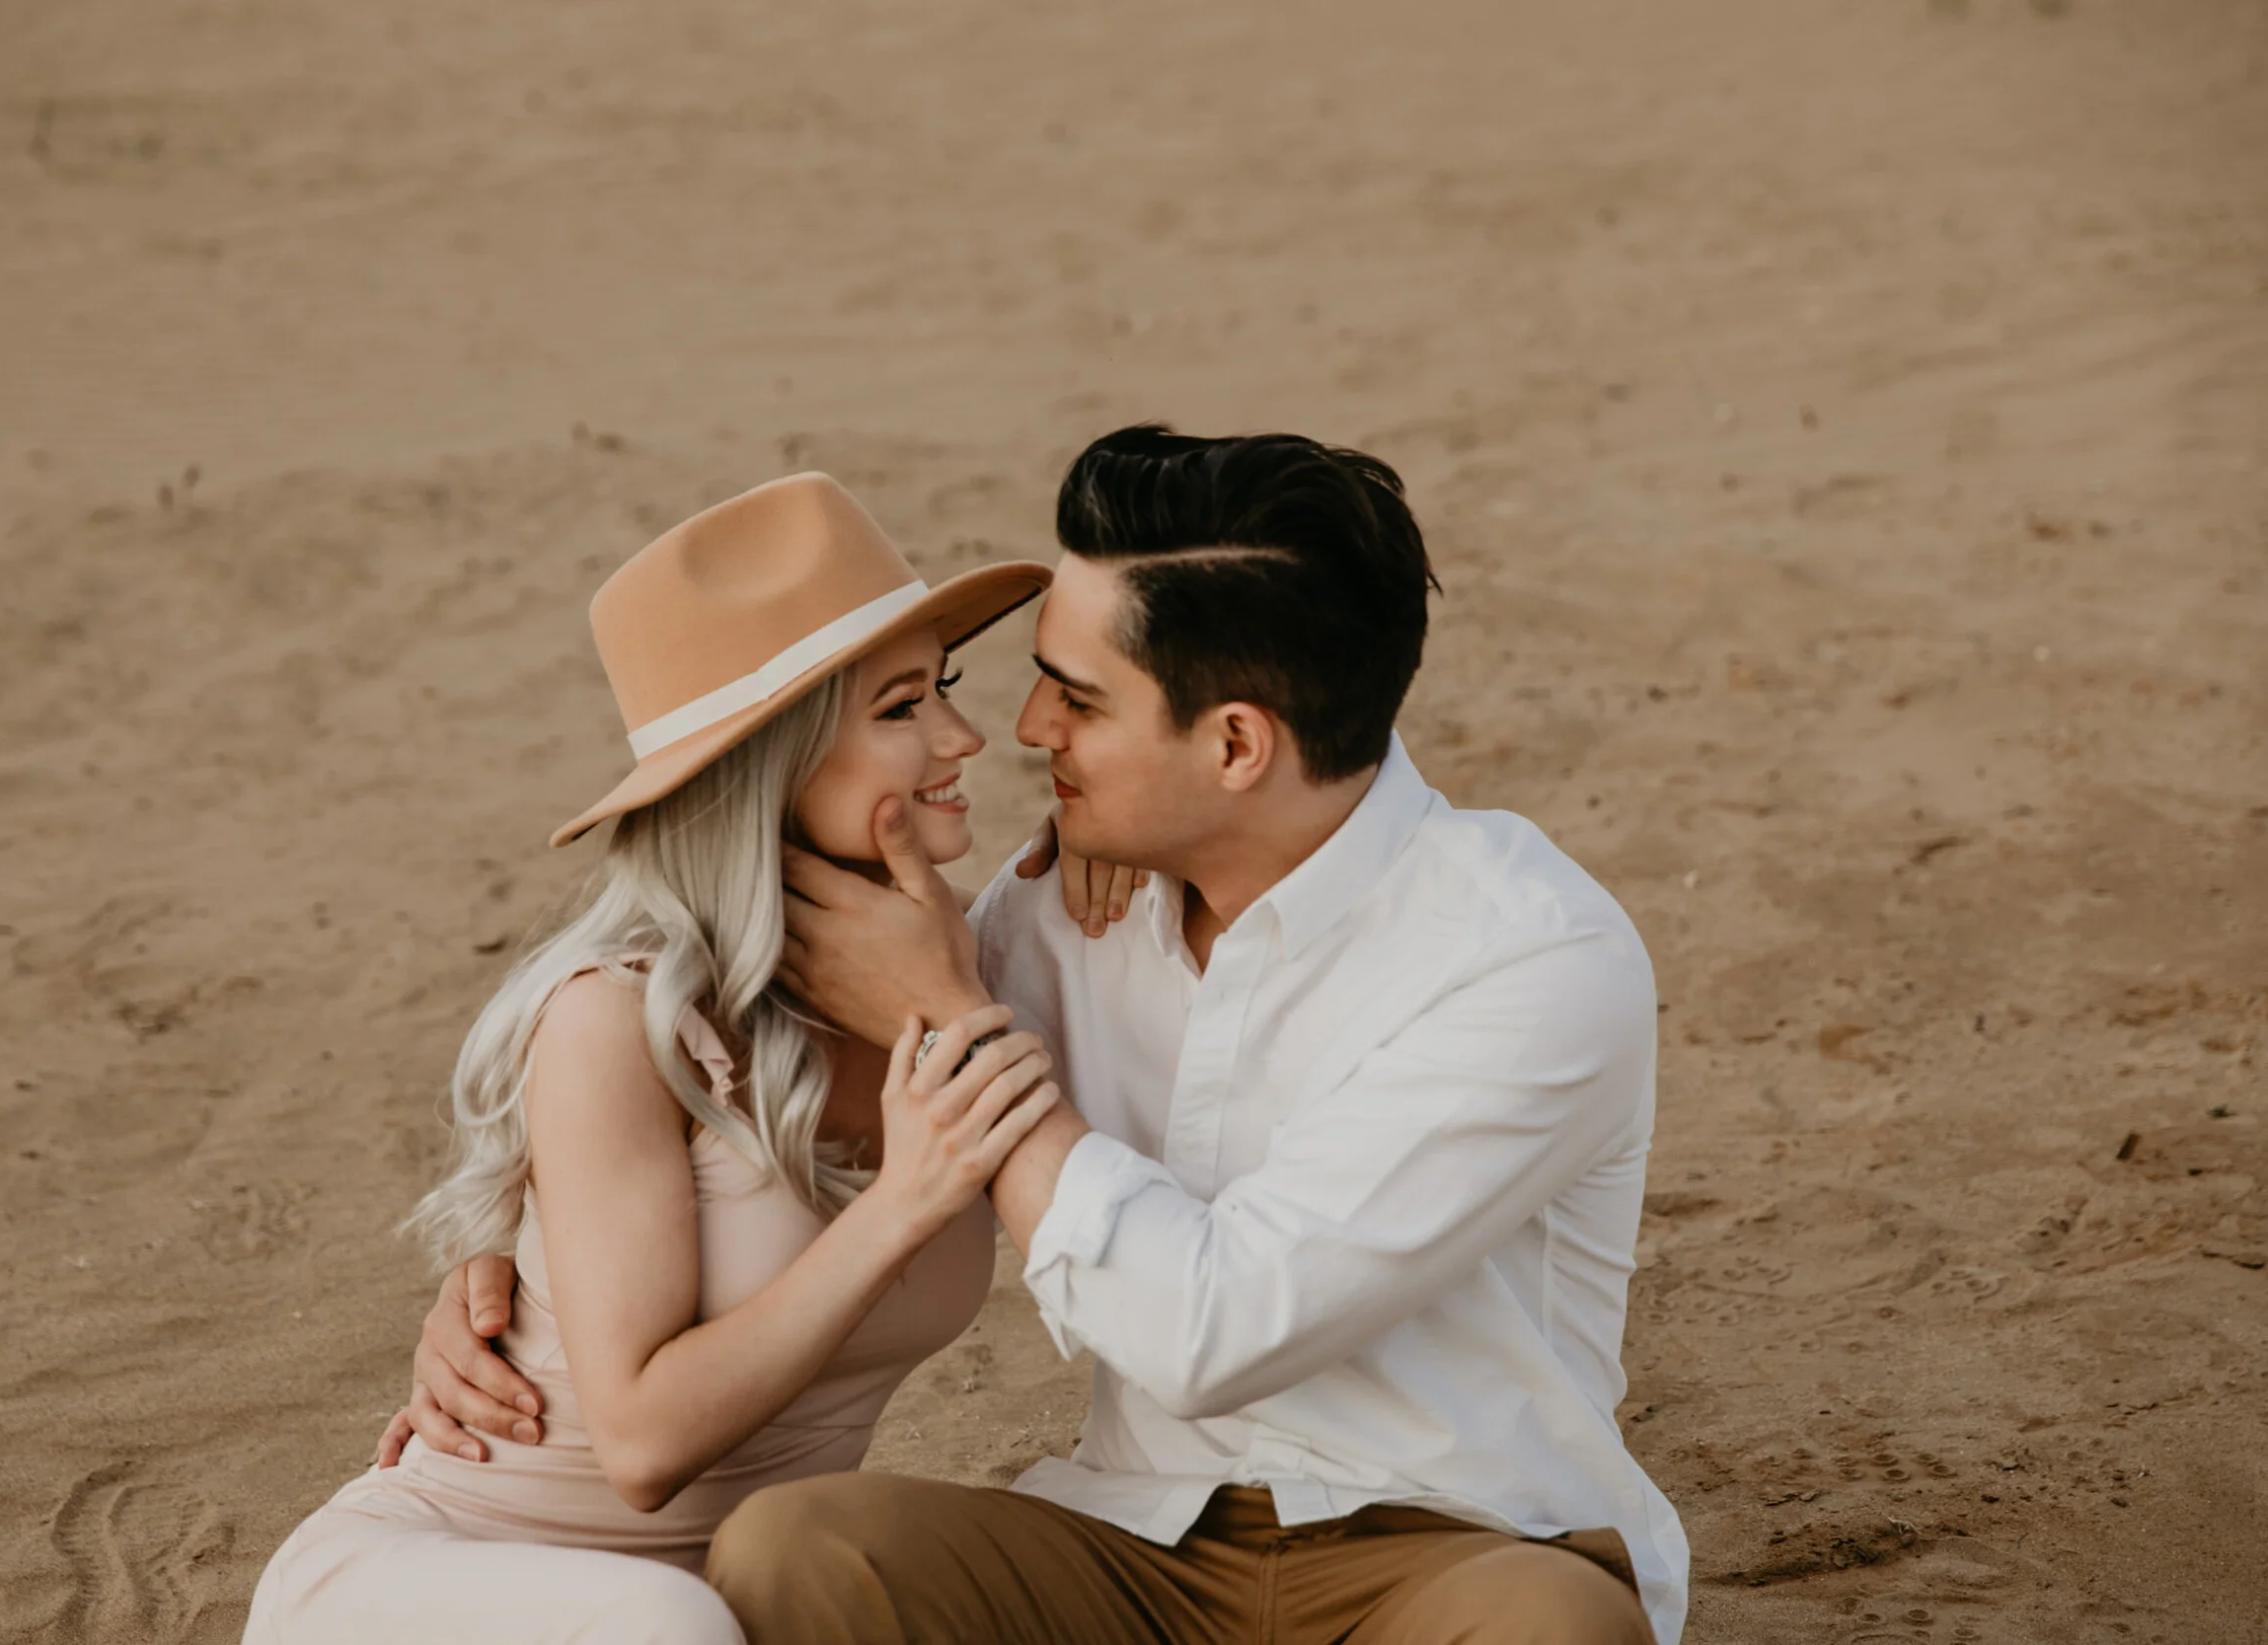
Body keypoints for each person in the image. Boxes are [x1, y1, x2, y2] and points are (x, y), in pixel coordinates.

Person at [414, 426, 1692, 1644]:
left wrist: (957, 1018)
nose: (1025, 730)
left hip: (1458, 1550)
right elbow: (739, 1066)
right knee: (795, 1551)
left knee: (1555, 1628)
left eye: (1076, 697)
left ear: (1236, 741)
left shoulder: (1528, 959)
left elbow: (1219, 1325)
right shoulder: (1050, 912)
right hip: (1140, 1546)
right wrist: (501, 1280)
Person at [244, 473, 1069, 1644]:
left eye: (944, 686)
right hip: (445, 1577)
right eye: (899, 708)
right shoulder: (618, 1024)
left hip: (740, 1596)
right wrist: (902, 1202)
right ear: (772, 766)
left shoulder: (977, 968)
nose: (962, 736)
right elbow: (637, 1445)